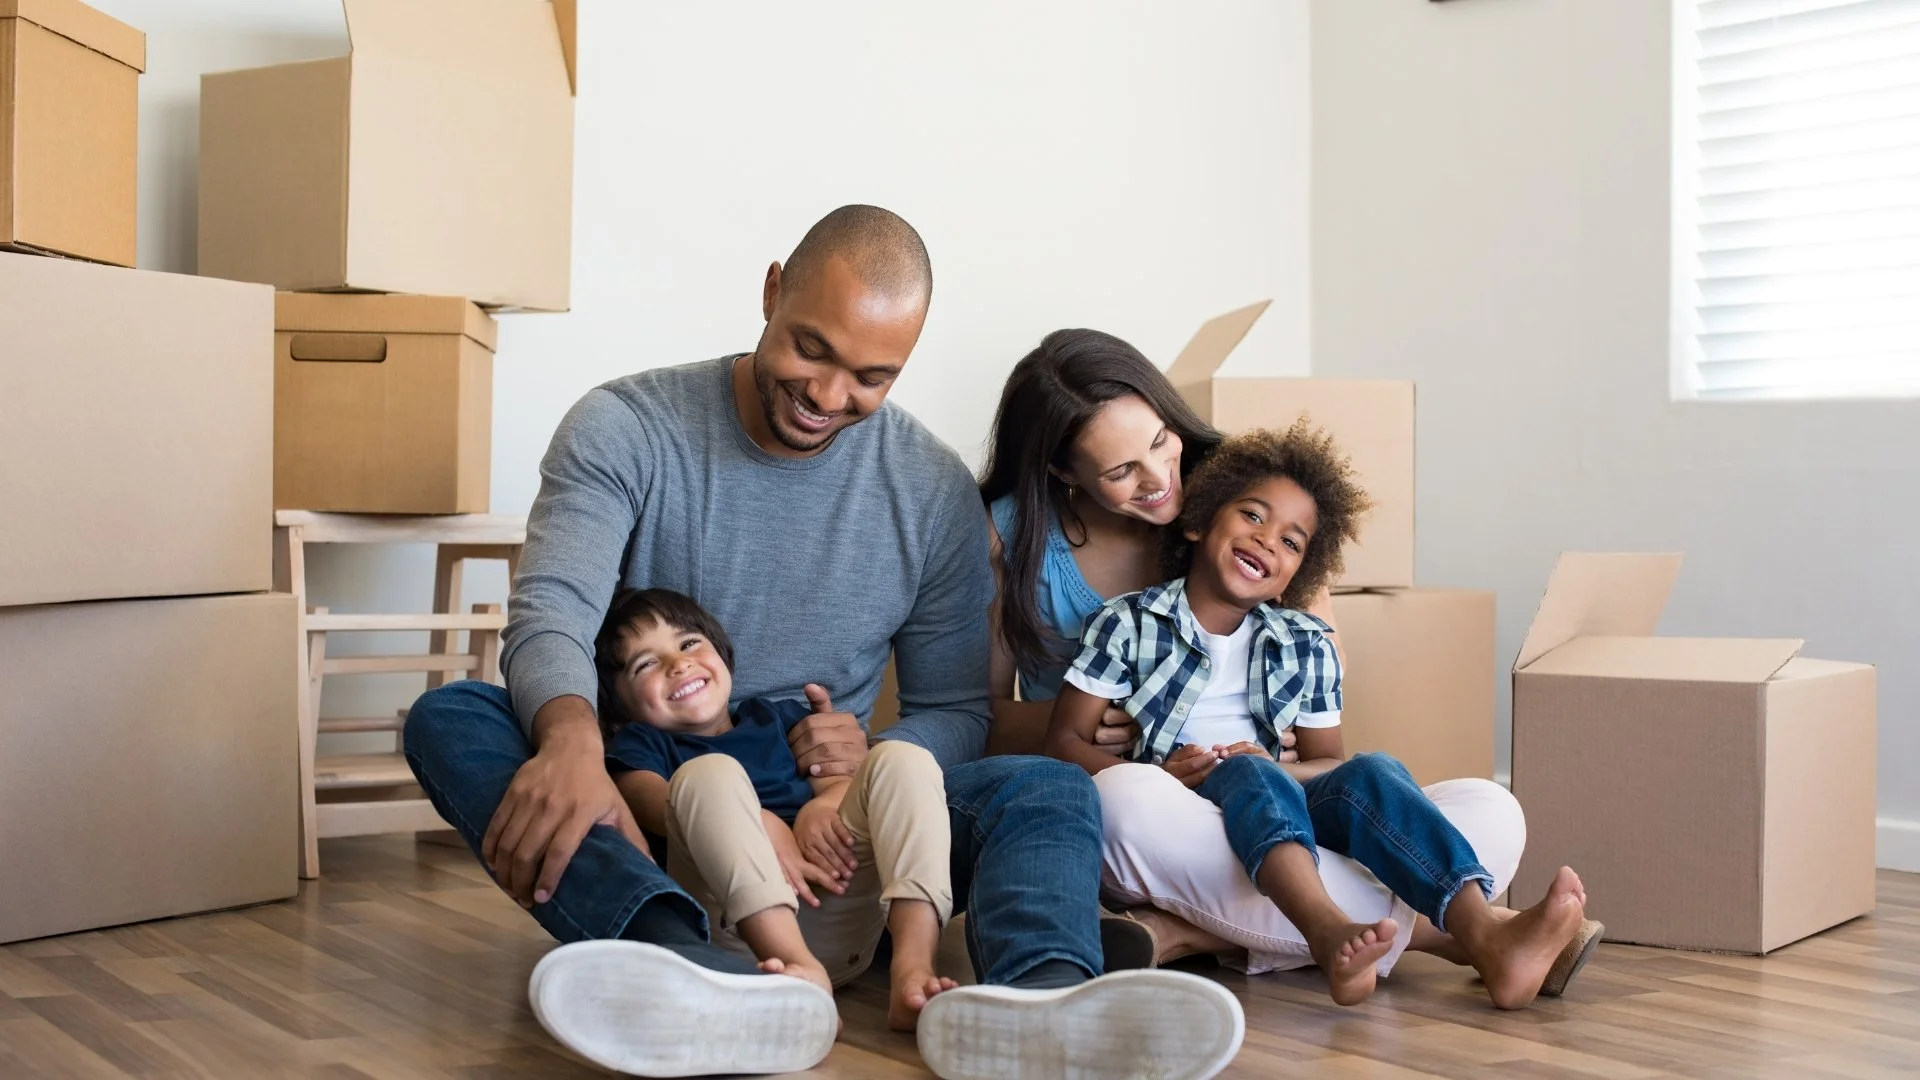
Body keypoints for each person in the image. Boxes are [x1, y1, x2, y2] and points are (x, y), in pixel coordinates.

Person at [404, 206, 1244, 1079]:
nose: (830, 396)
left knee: (1043, 787)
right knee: (453, 719)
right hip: (649, 806)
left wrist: (859, 767)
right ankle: (685, 960)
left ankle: (1044, 1005)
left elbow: (954, 707)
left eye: (872, 376)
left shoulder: (928, 490)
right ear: (773, 292)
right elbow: (553, 613)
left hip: (840, 833)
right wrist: (572, 743)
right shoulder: (626, 428)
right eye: (811, 350)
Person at [980, 328, 1600, 995]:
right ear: (1065, 473)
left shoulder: (1251, 499)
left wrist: (1280, 767)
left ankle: (1185, 932)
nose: (1163, 480)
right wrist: (1118, 735)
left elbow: (1325, 748)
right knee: (1129, 799)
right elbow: (982, 721)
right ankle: (1454, 935)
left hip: (1280, 799)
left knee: (1491, 809)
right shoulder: (1071, 581)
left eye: (1160, 441)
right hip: (1152, 806)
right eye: (1120, 470)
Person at [594, 587, 958, 1029]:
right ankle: (798, 971)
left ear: (722, 656)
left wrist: (822, 804)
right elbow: (651, 803)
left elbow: (841, 781)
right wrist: (759, 822)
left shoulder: (777, 717)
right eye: (646, 663)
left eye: (688, 643)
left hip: (839, 902)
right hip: (743, 934)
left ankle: (913, 969)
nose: (678, 663)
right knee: (709, 774)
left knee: (903, 759)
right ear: (618, 707)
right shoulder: (641, 746)